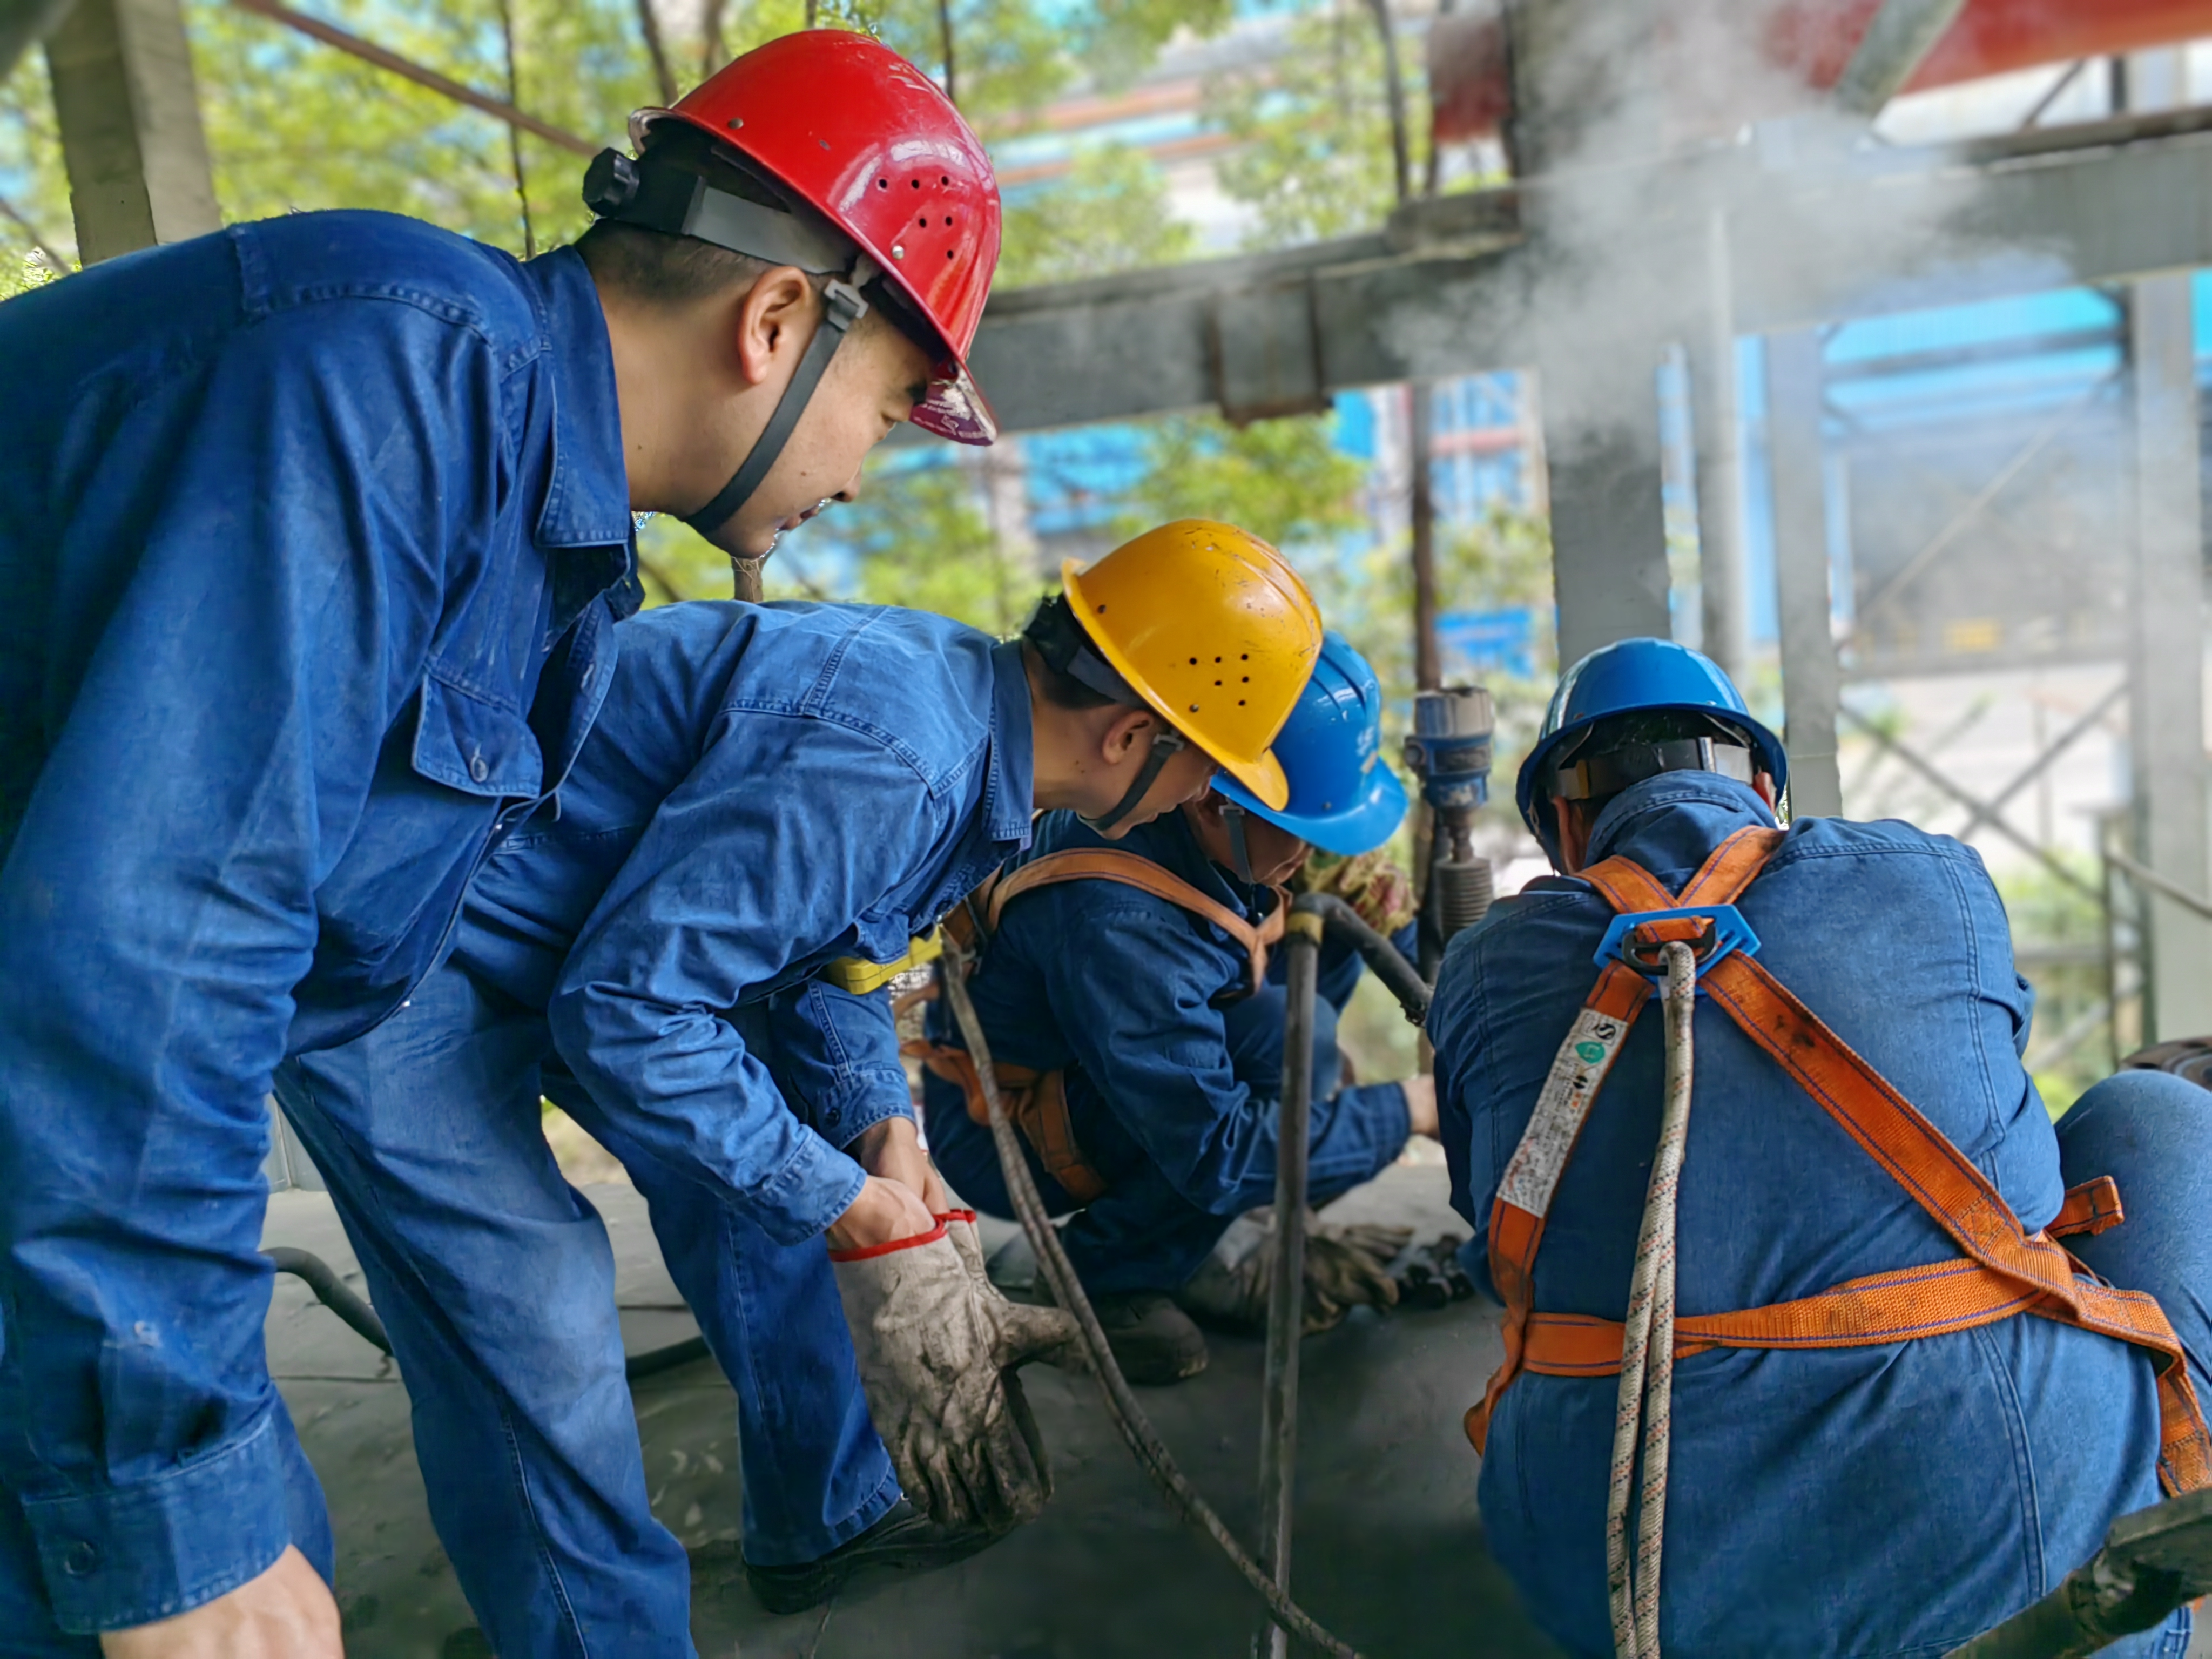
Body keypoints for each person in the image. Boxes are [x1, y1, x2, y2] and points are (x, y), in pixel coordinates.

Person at [0, 29, 1004, 1657]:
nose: (860, 475)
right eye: (891, 412)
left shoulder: (541, 526)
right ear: (773, 326)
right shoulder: (388, 384)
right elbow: (156, 945)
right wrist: (176, 1508)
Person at [266, 518, 1323, 1649]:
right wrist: (849, 1206)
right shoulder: (900, 759)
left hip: (589, 928)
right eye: (1208, 765)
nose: (1204, 797)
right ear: (1128, 736)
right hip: (401, 943)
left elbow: (833, 954)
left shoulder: (974, 734)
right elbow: (627, 1012)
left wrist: (882, 1138)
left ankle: (825, 1517)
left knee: (761, 1180)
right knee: (528, 1330)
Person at [1426, 637, 2212, 1658]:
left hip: (1624, 1579)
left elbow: (1489, 1234)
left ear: (1565, 826)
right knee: (2155, 1113)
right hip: (2021, 1566)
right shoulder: (1934, 878)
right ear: (1763, 787)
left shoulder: (1482, 970)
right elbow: (2000, 1111)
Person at [920, 632, 1437, 1385]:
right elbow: (1217, 1153)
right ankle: (1106, 1276)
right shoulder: (1116, 919)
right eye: (1295, 835)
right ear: (1210, 798)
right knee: (1291, 1055)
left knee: (1326, 951)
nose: (1306, 858)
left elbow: (1394, 930)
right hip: (1008, 1131)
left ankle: (1204, 1232)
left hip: (1093, 1058)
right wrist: (1411, 1111)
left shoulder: (1186, 812)